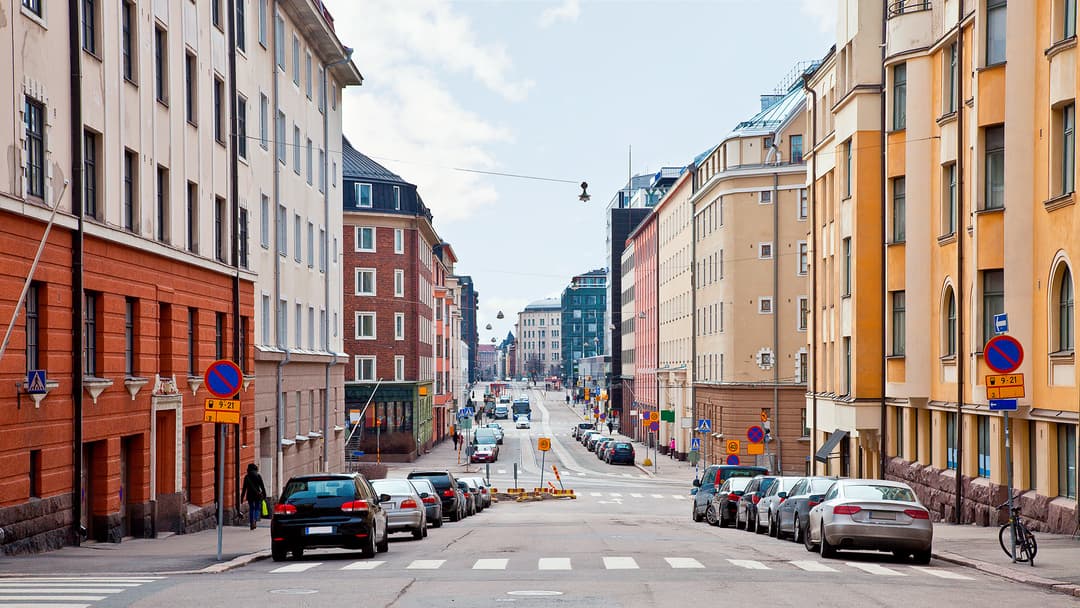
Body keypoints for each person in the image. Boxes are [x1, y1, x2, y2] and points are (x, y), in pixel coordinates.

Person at [240, 463, 266, 530]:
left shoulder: (247, 477)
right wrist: (264, 495)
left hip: (250, 495)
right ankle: (255, 519)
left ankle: (252, 522)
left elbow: (244, 488)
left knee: (251, 508)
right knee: (257, 508)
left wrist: (242, 497)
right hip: (257, 495)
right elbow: (262, 486)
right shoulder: (258, 476)